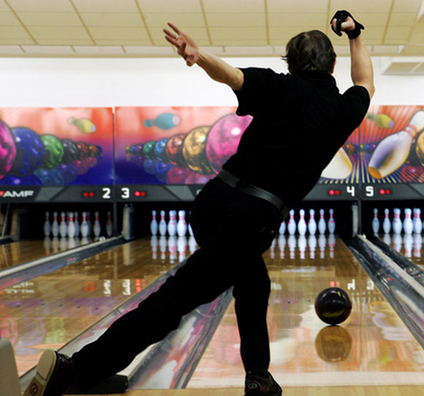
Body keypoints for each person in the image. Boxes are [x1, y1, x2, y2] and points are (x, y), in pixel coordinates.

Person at [23, 10, 373, 396]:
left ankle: (257, 375)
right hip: (250, 218)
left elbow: (233, 76)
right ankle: (75, 372)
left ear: (288, 63)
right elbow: (365, 80)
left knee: (253, 282)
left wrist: (199, 55)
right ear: (333, 64)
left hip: (214, 200)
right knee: (174, 301)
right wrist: (355, 34)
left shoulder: (279, 86)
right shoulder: (344, 109)